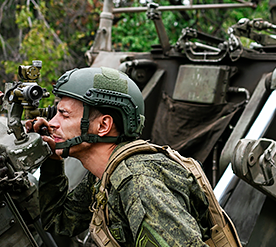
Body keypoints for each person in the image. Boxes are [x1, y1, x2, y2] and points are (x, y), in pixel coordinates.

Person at [30, 67, 227, 246]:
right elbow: (60, 221)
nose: (52, 123)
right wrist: (53, 160)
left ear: (103, 126)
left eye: (64, 115)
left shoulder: (139, 181)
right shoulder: (104, 176)